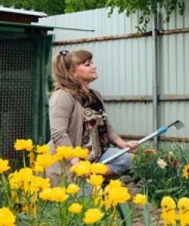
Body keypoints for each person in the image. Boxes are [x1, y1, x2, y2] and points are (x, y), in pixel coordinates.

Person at [46, 49, 139, 187]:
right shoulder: (63, 96)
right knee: (82, 204)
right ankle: (85, 180)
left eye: (92, 63)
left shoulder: (95, 95)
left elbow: (106, 125)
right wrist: (76, 162)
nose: (94, 66)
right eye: (87, 64)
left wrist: (122, 143)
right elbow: (58, 133)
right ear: (72, 72)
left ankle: (91, 175)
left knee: (125, 159)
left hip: (97, 156)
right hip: (69, 162)